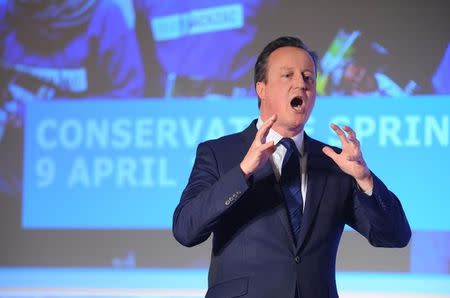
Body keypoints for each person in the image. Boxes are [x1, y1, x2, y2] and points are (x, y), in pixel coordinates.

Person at [172, 36, 411, 298]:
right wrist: (242, 173)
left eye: (308, 77)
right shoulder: (219, 153)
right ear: (261, 89)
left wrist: (365, 179)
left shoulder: (334, 162)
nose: (301, 83)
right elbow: (186, 230)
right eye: (288, 75)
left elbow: (395, 236)